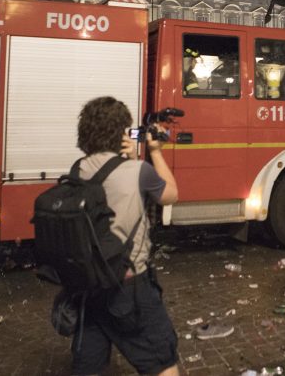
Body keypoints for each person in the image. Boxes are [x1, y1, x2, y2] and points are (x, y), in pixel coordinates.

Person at [69, 96, 180, 376]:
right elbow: (171, 195)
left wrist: (128, 160)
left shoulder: (77, 170)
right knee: (162, 364)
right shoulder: (138, 171)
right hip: (130, 287)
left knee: (90, 366)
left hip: (88, 284)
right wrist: (154, 152)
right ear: (120, 132)